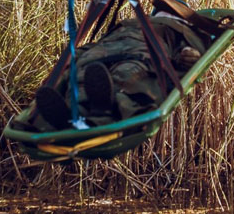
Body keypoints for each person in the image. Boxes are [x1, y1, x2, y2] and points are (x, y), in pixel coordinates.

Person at [31, 10, 210, 130]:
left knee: (108, 77)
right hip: (120, 51)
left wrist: (77, 56)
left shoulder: (179, 29)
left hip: (133, 50)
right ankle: (78, 116)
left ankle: (86, 114)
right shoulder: (132, 22)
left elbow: (189, 54)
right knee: (95, 77)